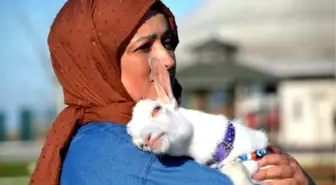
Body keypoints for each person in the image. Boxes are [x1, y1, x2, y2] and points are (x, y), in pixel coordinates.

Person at [29, 0, 316, 185]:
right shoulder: (130, 159)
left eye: (167, 42)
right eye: (144, 47)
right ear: (97, 66)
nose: (168, 59)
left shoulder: (87, 139)